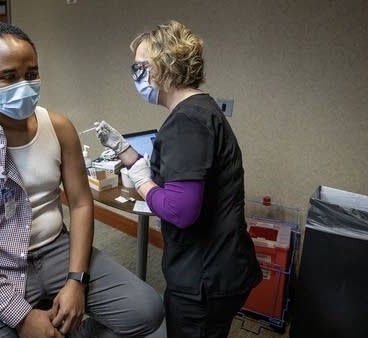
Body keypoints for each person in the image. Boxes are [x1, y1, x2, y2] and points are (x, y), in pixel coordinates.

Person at [0, 22, 164, 338]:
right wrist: (21, 318)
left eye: (31, 74)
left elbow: (81, 204)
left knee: (146, 310)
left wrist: (76, 280)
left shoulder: (58, 127)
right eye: (8, 77)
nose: (24, 85)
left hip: (56, 248)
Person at [95, 21, 263, 338]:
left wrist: (144, 184)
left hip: (204, 280)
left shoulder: (186, 122)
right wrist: (126, 152)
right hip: (222, 266)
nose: (136, 77)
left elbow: (179, 210)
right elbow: (187, 173)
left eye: (140, 67)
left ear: (166, 66)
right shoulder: (202, 109)